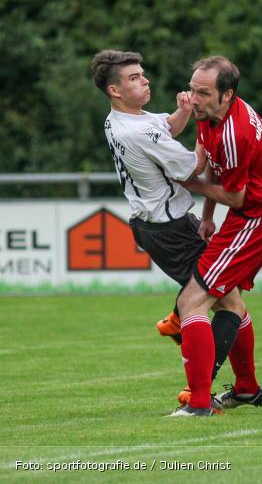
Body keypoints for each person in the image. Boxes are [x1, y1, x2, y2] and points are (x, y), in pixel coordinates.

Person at [91, 50, 244, 411]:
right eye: (133, 78)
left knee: (221, 301)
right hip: (170, 228)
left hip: (161, 225)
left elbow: (166, 128)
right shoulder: (139, 131)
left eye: (142, 74)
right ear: (114, 90)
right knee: (230, 307)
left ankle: (181, 324)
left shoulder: (120, 121)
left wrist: (186, 112)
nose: (144, 80)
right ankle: (200, 393)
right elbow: (190, 167)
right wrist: (207, 130)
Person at [172, 55, 262, 417]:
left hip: (254, 219)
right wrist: (207, 217)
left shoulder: (235, 133)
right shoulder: (212, 114)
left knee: (192, 303)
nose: (193, 99)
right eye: (192, 89)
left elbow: (234, 195)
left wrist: (189, 183)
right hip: (247, 216)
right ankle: (247, 390)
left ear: (227, 94)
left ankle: (199, 405)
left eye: (202, 93)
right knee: (230, 304)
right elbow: (214, 168)